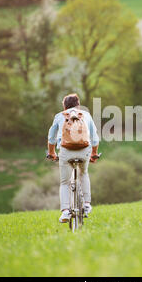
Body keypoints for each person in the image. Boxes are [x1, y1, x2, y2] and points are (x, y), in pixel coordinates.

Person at [47, 94, 100, 223]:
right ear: (78, 105)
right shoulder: (86, 115)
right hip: (84, 151)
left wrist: (52, 153)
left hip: (66, 152)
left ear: (64, 106)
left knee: (65, 182)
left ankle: (65, 211)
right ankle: (87, 204)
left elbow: (51, 138)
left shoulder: (60, 116)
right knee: (84, 173)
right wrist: (94, 153)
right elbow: (94, 138)